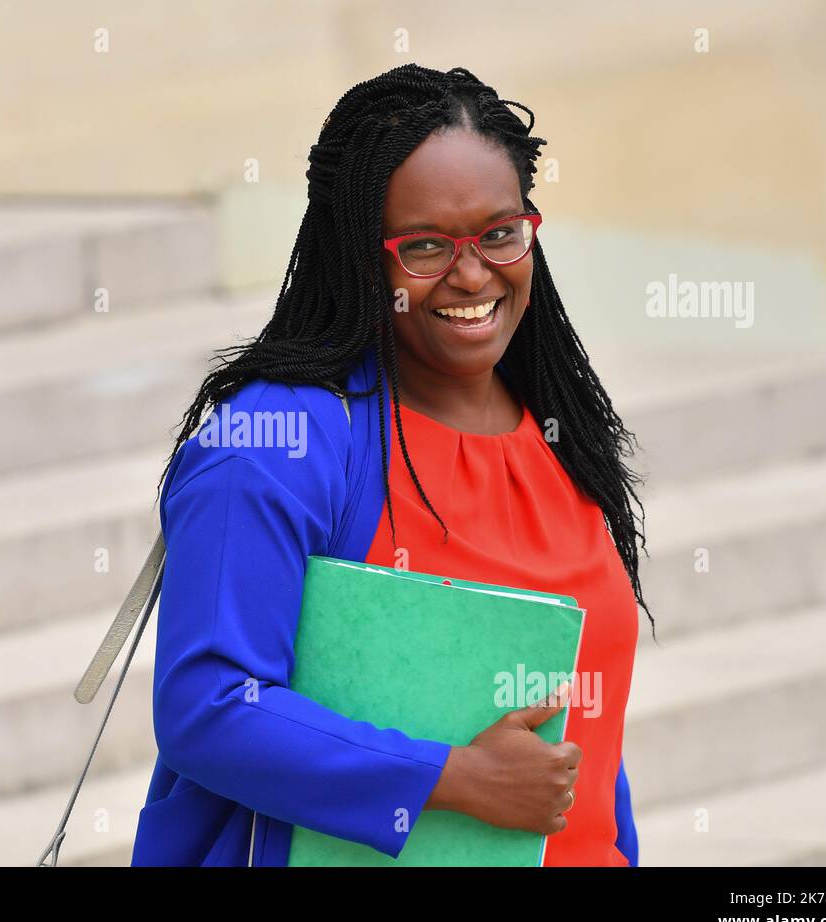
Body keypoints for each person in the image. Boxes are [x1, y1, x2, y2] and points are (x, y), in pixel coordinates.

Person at [130, 63, 650, 867]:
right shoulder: (279, 441)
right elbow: (211, 706)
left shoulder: (552, 432)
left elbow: (585, 746)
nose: (473, 274)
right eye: (426, 247)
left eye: (500, 233)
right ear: (358, 255)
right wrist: (454, 779)